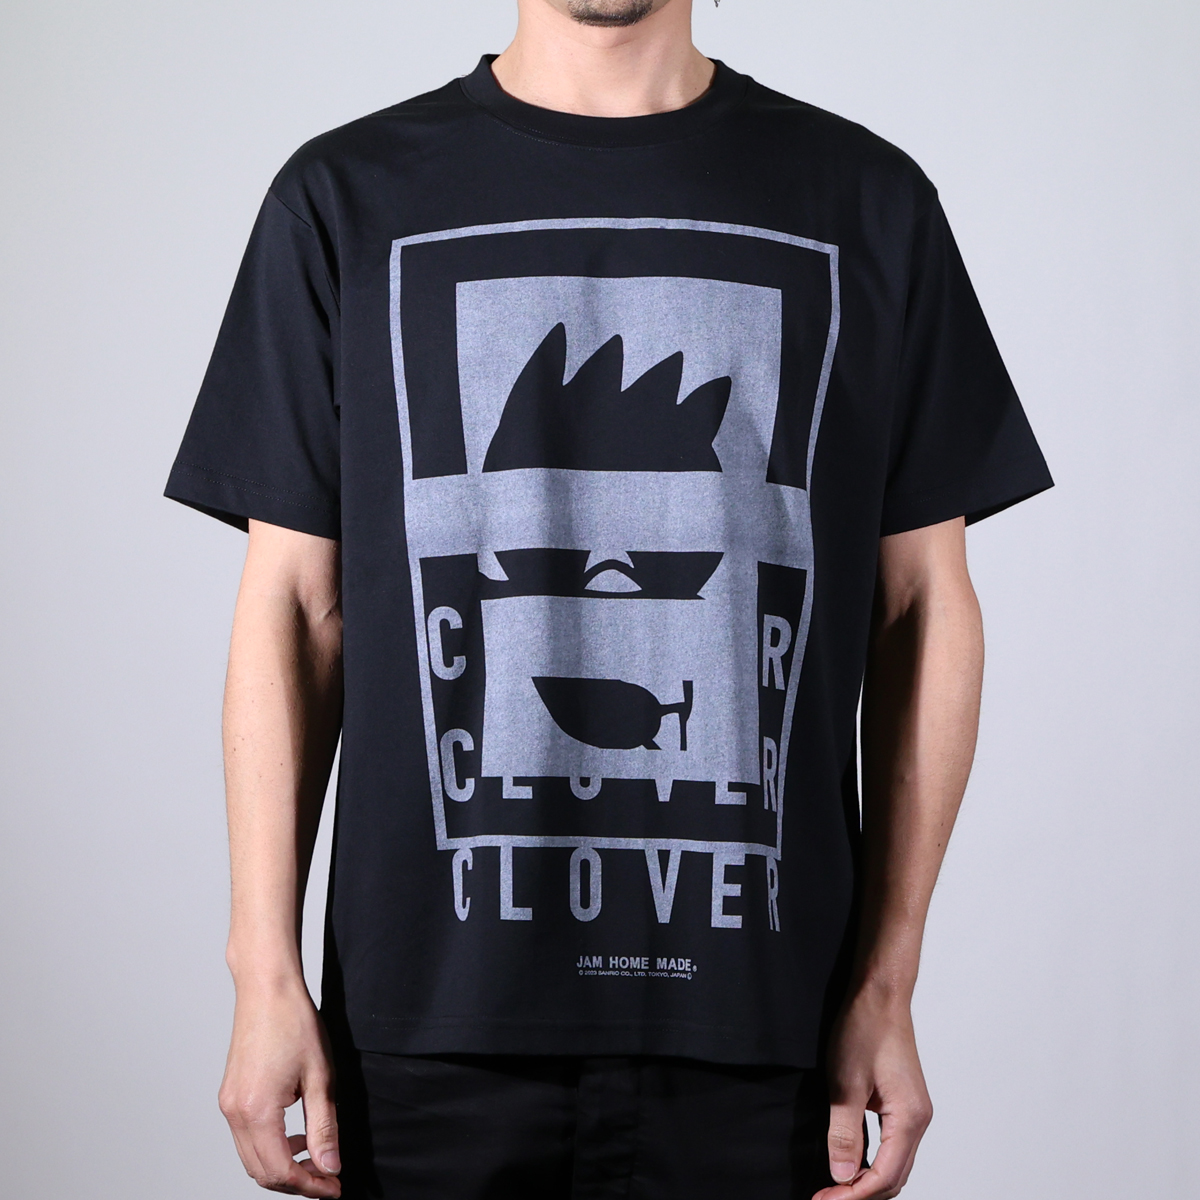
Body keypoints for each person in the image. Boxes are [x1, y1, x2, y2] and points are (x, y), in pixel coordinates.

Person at [166, 0, 1052, 1196]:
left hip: (769, 1034)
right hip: (428, 1031)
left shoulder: (867, 202)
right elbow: (294, 608)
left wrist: (887, 984)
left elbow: (922, 608)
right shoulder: (345, 199)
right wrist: (262, 971)